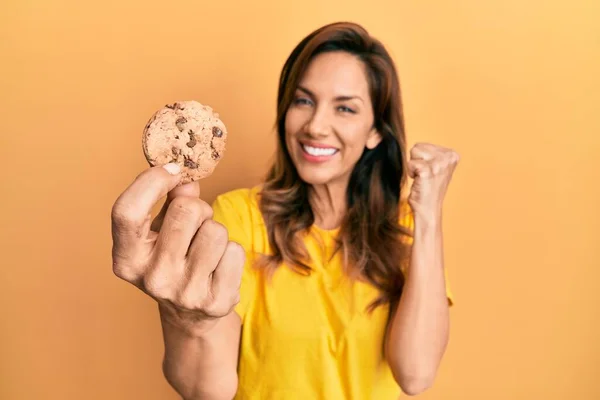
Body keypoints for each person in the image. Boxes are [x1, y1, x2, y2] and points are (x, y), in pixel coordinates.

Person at [111, 21, 459, 400]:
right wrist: (187, 318)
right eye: (303, 100)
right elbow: (207, 390)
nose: (316, 126)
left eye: (345, 108)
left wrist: (427, 215)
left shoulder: (405, 227)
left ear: (376, 130)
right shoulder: (239, 216)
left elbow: (416, 374)